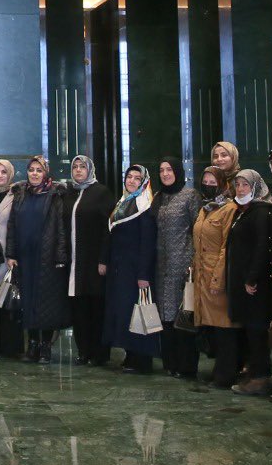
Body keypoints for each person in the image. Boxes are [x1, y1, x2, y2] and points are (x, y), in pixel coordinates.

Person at [4, 156, 68, 363]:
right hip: (24, 258)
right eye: (31, 170)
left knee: (46, 302)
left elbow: (60, 229)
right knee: (27, 301)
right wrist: (11, 254)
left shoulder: (55, 195)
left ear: (46, 173)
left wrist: (60, 256)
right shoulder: (21, 194)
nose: (34, 173)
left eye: (39, 170)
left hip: (47, 258)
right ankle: (31, 344)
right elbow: (12, 226)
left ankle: (45, 346)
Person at [99, 164, 159, 374]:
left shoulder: (145, 206)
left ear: (144, 181)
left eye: (136, 178)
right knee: (124, 313)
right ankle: (130, 354)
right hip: (119, 269)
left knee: (138, 312)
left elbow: (147, 244)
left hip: (136, 271)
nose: (132, 181)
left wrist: (143, 274)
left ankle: (141, 359)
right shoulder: (123, 203)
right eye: (129, 177)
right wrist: (104, 260)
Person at [224, 168, 272, 395]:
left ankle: (262, 377)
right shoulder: (243, 211)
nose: (241, 189)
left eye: (246, 185)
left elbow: (262, 247)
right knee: (249, 330)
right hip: (241, 282)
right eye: (238, 185)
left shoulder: (261, 211)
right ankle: (253, 374)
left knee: (256, 330)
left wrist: (252, 277)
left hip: (254, 284)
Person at [192, 163, 240, 388]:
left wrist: (218, 278)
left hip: (217, 275)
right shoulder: (205, 208)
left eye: (214, 183)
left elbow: (226, 247)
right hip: (201, 273)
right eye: (206, 182)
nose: (209, 186)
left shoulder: (229, 208)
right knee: (211, 326)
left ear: (223, 184)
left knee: (224, 327)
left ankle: (226, 373)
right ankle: (218, 368)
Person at [152, 156, 200, 378]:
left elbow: (198, 230)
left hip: (183, 266)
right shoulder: (158, 198)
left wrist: (194, 262)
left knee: (184, 316)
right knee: (166, 317)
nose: (165, 174)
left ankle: (187, 365)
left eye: (169, 169)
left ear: (178, 171)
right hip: (162, 268)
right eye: (161, 170)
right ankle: (170, 363)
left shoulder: (189, 196)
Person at [65, 154, 114, 366]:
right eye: (75, 167)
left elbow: (108, 228)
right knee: (79, 309)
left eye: (82, 167)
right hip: (74, 263)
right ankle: (83, 351)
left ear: (90, 170)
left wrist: (104, 259)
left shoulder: (100, 192)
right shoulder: (68, 194)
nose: (78, 170)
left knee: (96, 308)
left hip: (94, 262)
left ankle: (99, 353)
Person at [0, 160, 24, 358]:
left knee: (10, 302)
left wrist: (14, 253)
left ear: (10, 174)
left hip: (10, 257)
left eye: (4, 172)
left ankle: (13, 347)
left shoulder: (18, 195)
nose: (0, 175)